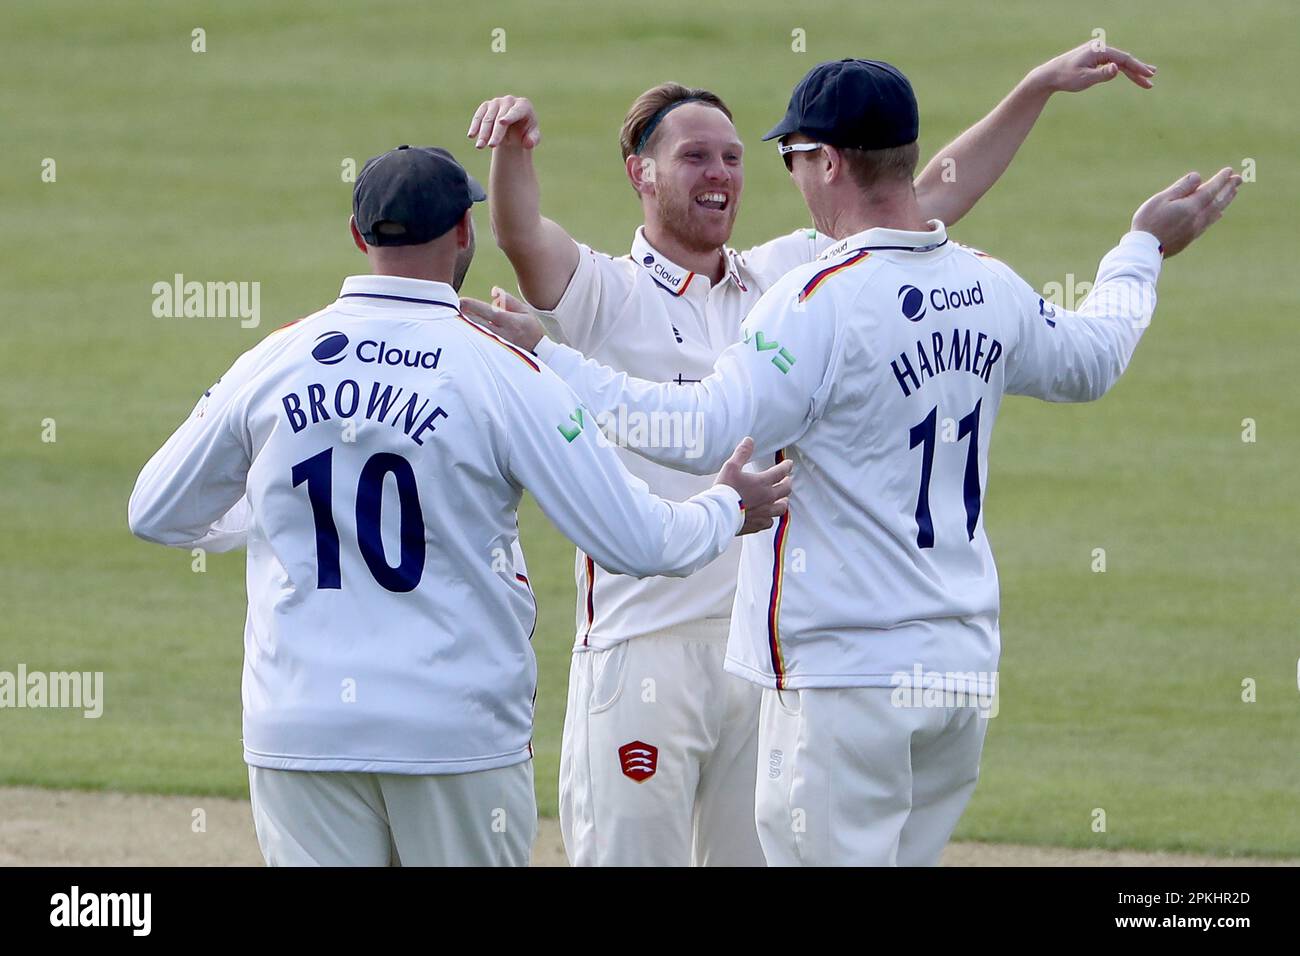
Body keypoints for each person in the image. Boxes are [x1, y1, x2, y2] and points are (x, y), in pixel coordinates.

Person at [466, 59, 1241, 865]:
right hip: (956, 670)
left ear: (825, 161)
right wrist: (1140, 251)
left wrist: (544, 363)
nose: (751, 176)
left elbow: (698, 430)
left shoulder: (810, 296)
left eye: (779, 158)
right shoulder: (987, 284)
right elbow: (1095, 357)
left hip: (842, 675)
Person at [126, 145, 791, 867]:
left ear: (359, 237)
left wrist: (275, 511)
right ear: (464, 235)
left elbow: (157, 511)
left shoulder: (277, 358)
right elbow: (637, 540)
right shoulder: (500, 369)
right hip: (452, 731)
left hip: (299, 728)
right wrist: (727, 505)